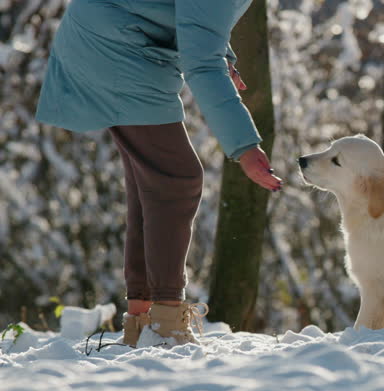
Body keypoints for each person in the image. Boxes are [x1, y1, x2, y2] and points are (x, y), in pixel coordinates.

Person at [36, 0, 282, 346]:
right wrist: (245, 148)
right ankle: (167, 327)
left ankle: (142, 319)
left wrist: (221, 53)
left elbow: (191, 14)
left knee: (152, 184)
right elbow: (201, 63)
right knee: (177, 180)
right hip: (118, 48)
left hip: (109, 37)